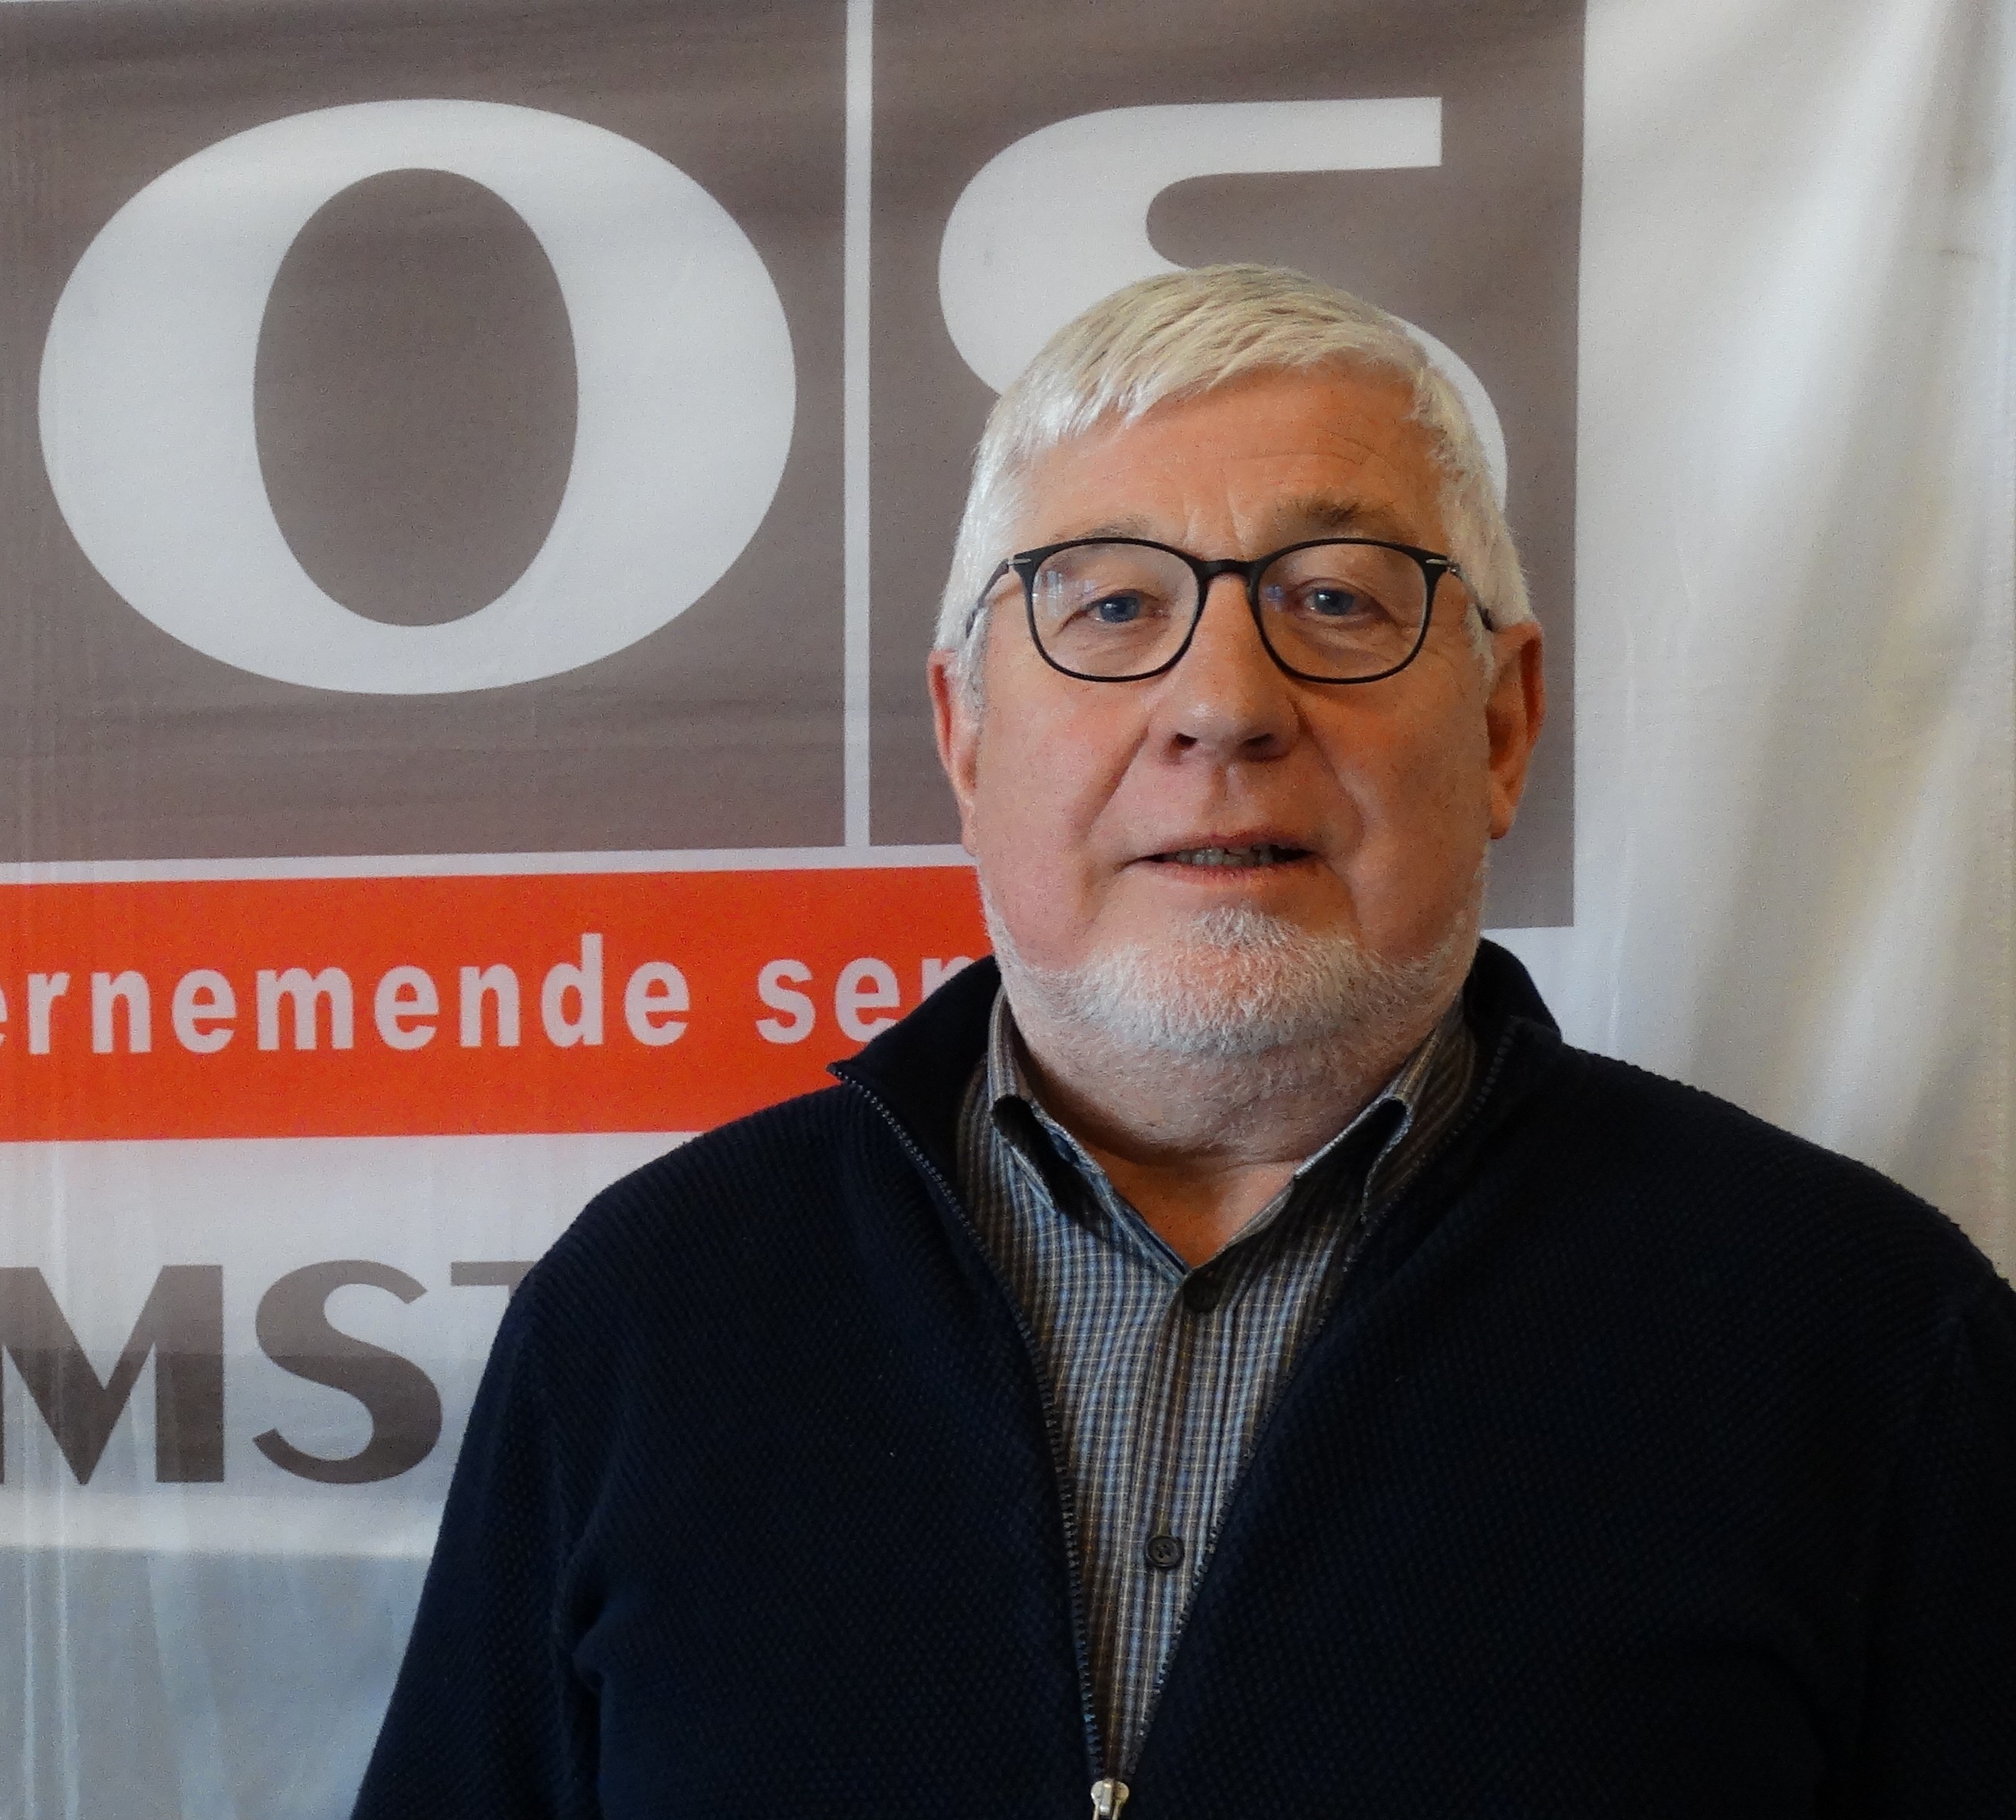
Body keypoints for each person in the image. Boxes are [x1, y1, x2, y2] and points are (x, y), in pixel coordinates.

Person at [349, 265, 2014, 1818]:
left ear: (1503, 724)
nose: (1223, 703)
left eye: (1338, 599)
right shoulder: (644, 1314)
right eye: (1112, 605)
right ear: (965, 734)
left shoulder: (1866, 1336)